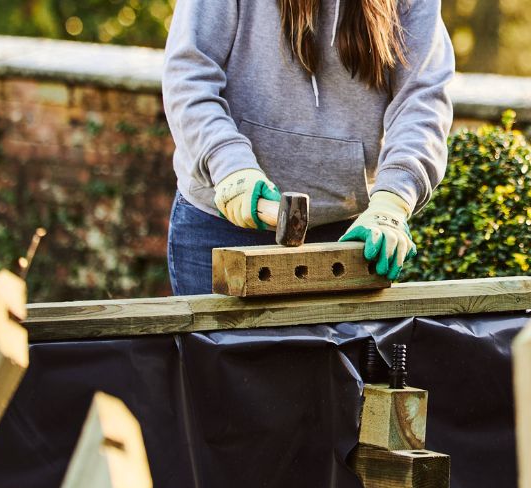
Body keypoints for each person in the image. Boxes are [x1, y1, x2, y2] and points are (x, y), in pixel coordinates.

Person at [162, 0, 455, 296]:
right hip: (222, 227)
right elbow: (189, 78)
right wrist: (228, 165)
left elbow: (422, 101)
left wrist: (392, 202)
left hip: (349, 235)